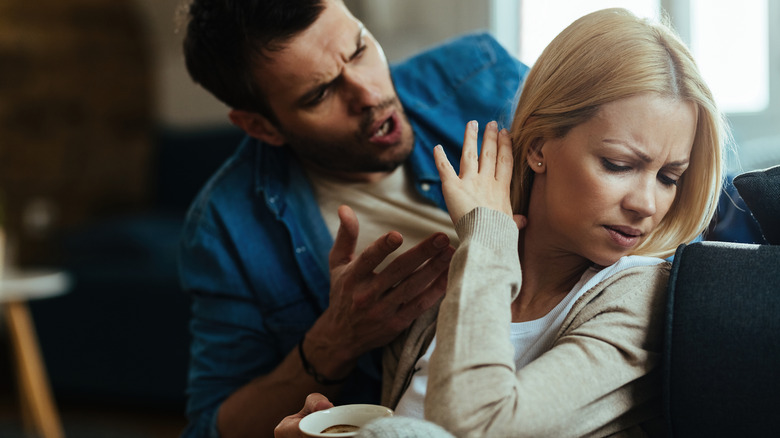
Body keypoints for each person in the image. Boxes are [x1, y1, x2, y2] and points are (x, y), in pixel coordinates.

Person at [275, 7, 725, 437]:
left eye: (670, 177)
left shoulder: (643, 296)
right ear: (538, 147)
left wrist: (488, 236)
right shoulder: (454, 284)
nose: (646, 204)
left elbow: (478, 428)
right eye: (618, 164)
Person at [177, 0, 528, 436]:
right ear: (261, 127)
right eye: (320, 93)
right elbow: (211, 428)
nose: (368, 94)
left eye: (360, 48)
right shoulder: (226, 228)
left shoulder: (479, 74)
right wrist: (337, 340)